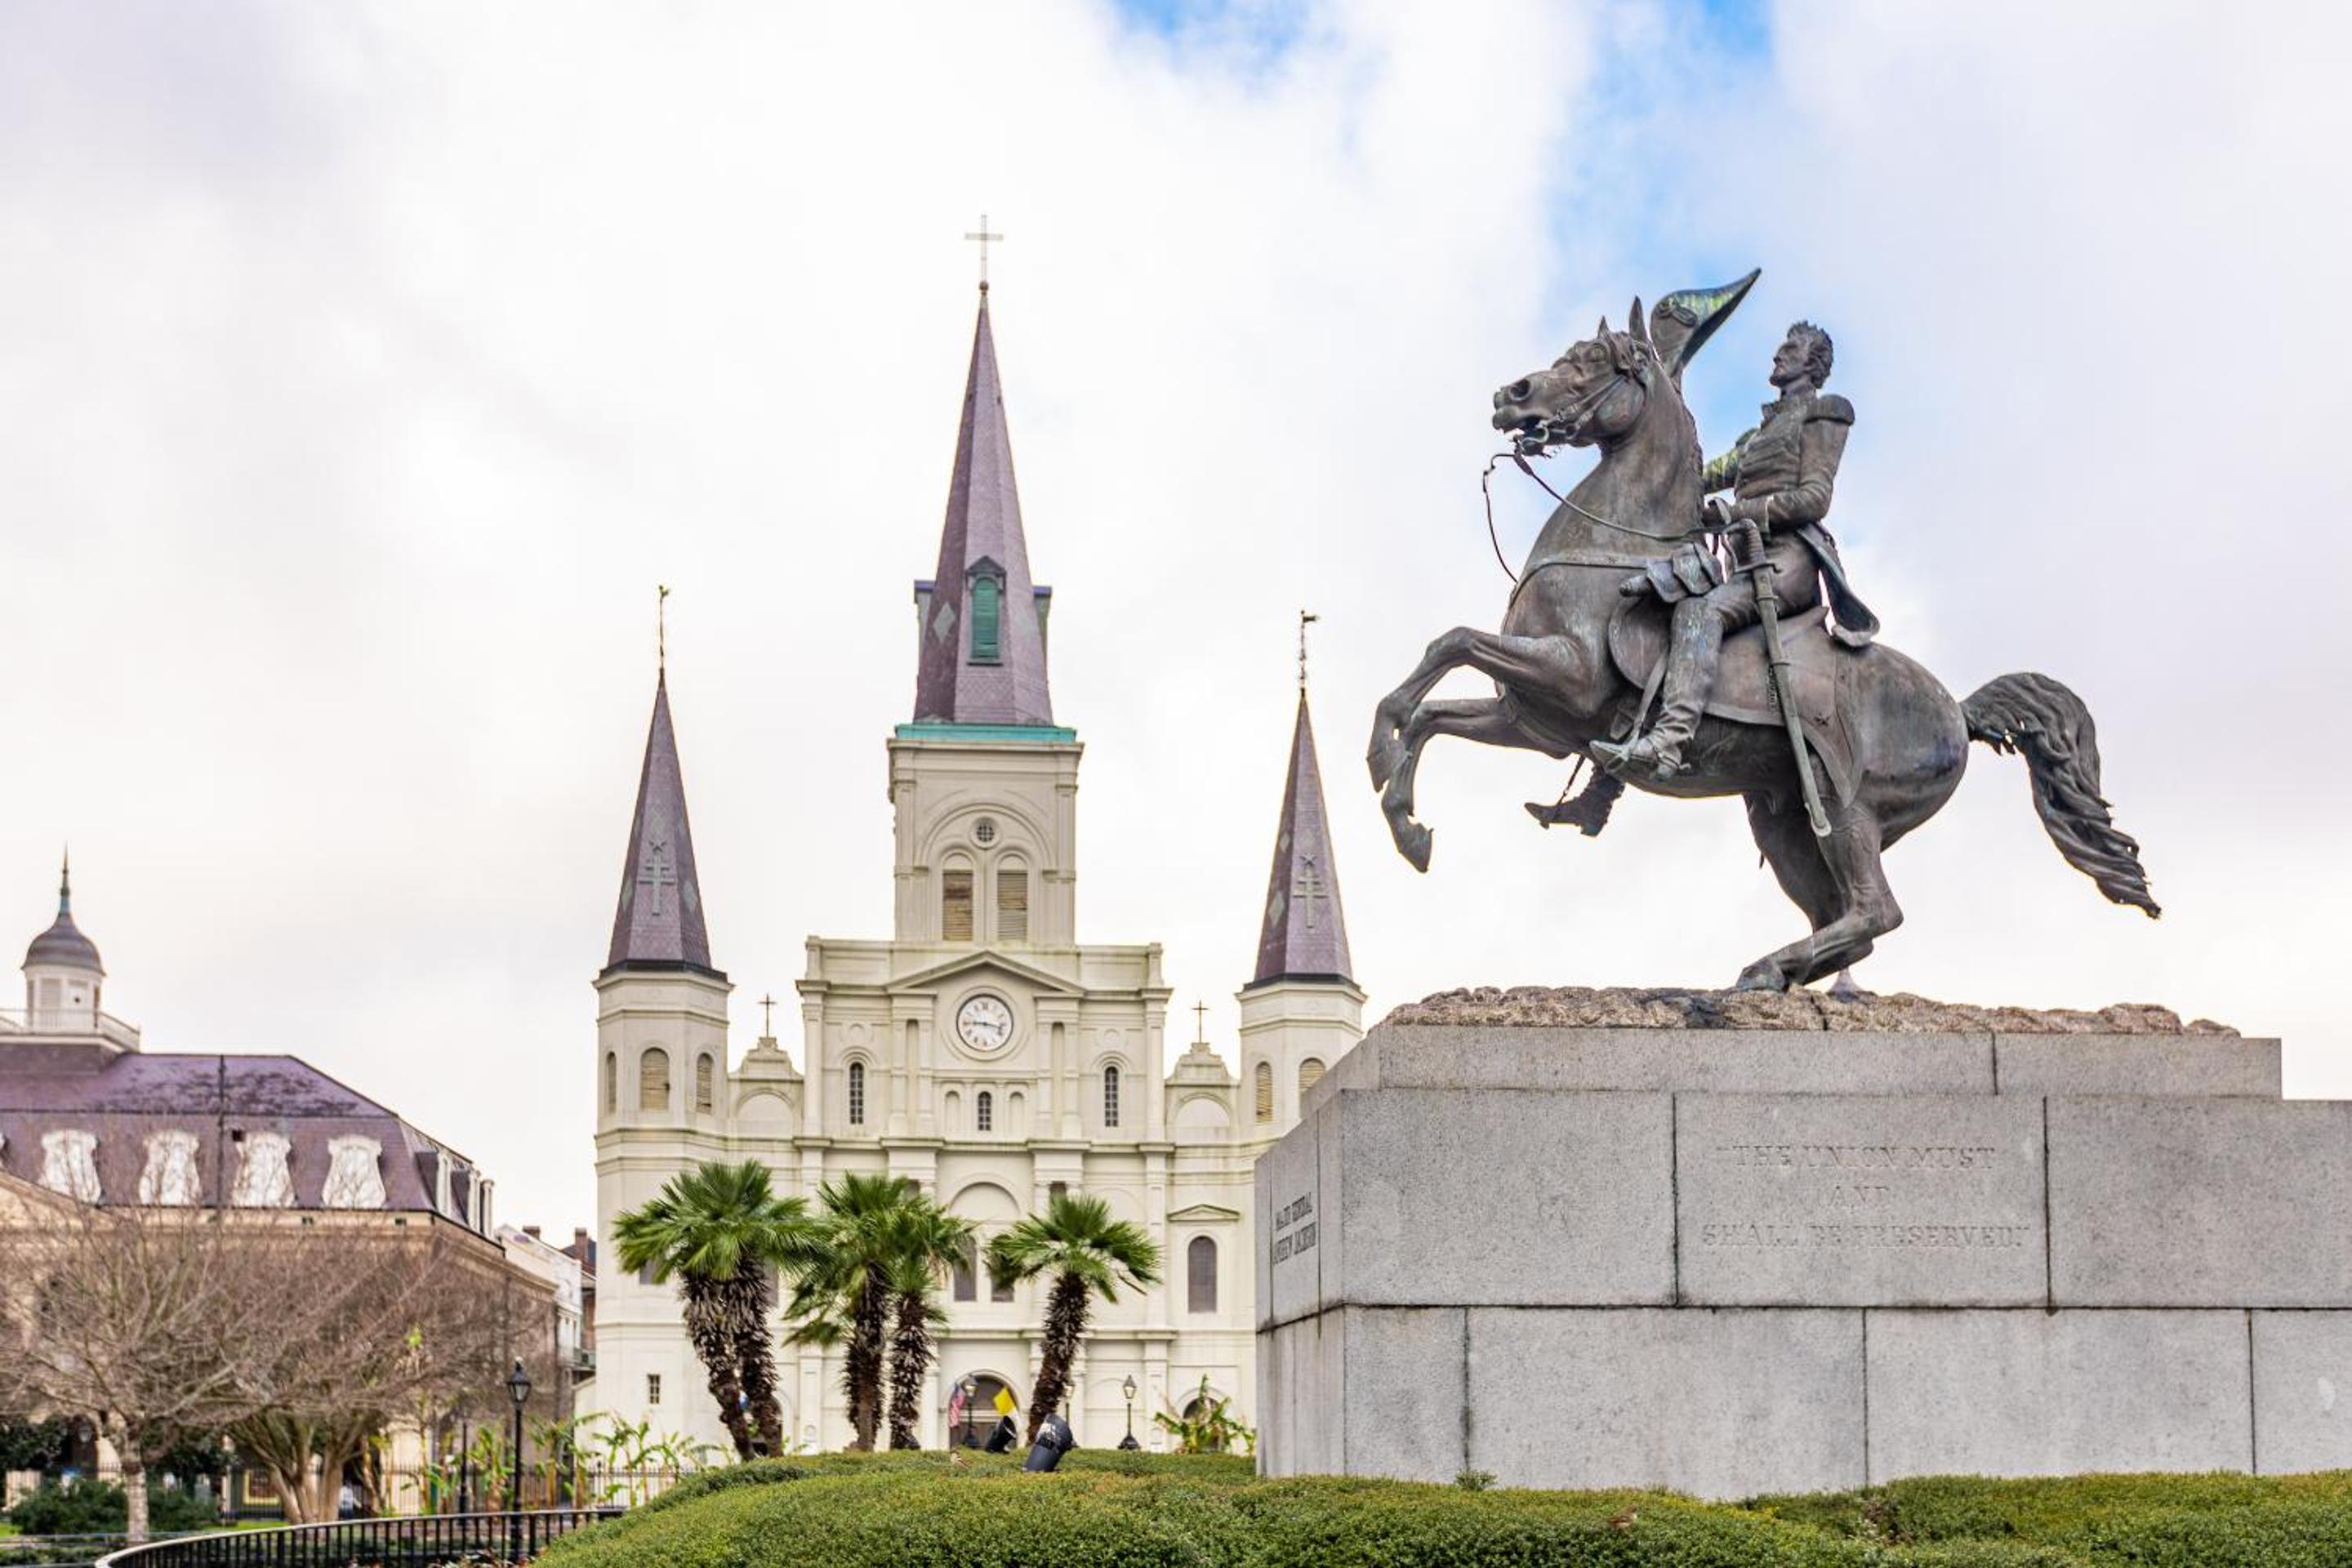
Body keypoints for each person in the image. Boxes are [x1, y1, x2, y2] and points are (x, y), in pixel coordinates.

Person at [1590, 320, 1878, 778]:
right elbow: (1699, 480)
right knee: (1655, 612)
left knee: (1699, 614)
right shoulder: (1756, 438)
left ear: (1814, 364)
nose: (1778, 354)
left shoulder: (1825, 412)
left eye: (1791, 348)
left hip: (1786, 562)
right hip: (1743, 565)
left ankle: (1670, 741)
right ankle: (1604, 789)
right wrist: (1643, 464)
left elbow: (1814, 499)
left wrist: (1737, 512)